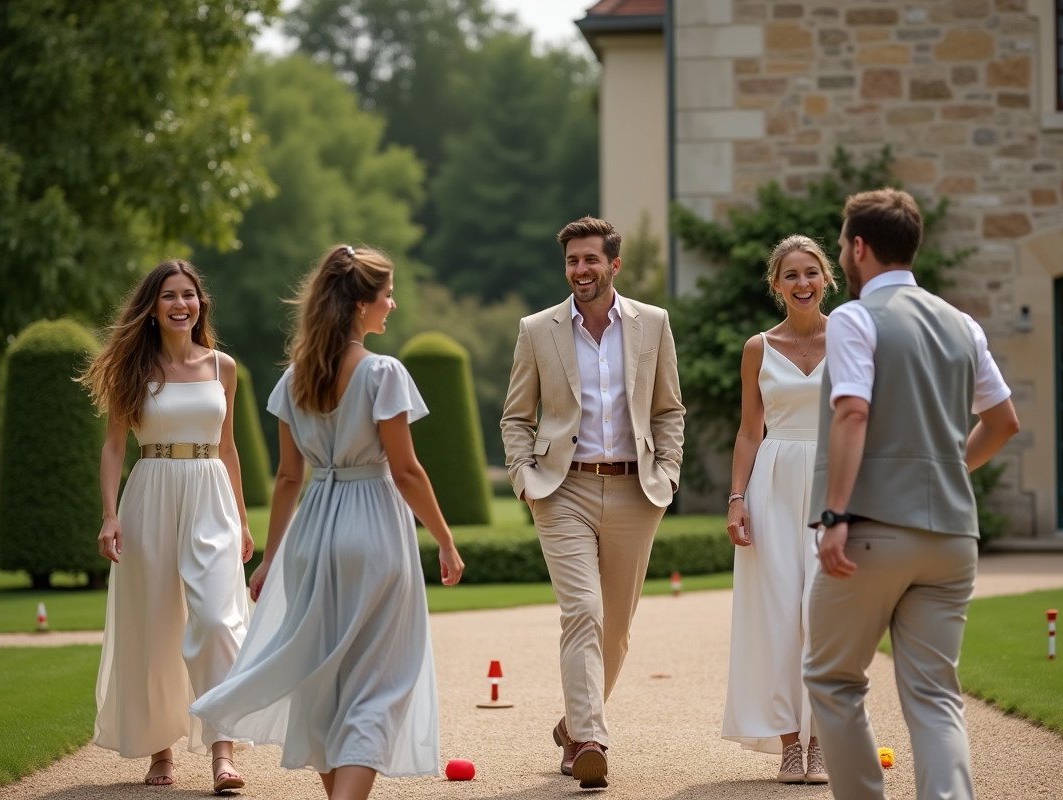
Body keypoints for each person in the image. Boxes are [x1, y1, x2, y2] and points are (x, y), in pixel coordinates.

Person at [190, 245, 464, 800]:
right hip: (374, 528)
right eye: (386, 294)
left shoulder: (295, 378)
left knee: (322, 678)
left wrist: (271, 556)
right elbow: (407, 471)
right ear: (361, 303)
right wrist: (446, 542)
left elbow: (289, 479)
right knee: (379, 684)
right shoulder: (383, 372)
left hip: (312, 533)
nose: (392, 303)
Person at [804, 188, 1019, 800]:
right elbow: (1004, 422)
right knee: (935, 696)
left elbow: (851, 413)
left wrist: (836, 514)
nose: (844, 253)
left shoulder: (853, 318)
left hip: (871, 530)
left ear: (859, 248)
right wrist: (949, 473)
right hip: (953, 536)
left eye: (844, 244)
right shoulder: (963, 323)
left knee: (833, 678)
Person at [501, 216, 685, 789]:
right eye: (572, 261)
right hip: (563, 490)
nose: (580, 270)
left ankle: (574, 725)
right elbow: (515, 416)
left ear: (613, 264)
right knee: (582, 611)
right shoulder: (538, 329)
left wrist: (669, 475)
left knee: (617, 630)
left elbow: (669, 409)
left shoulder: (653, 325)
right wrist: (525, 481)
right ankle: (592, 740)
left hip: (637, 488)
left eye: (590, 260)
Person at [80, 260, 254, 790]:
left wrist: (243, 521)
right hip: (150, 492)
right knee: (156, 626)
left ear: (201, 304)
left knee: (219, 620)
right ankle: (161, 754)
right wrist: (110, 515)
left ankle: (221, 751)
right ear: (152, 308)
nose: (181, 305)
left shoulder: (223, 367)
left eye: (190, 295)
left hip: (210, 497)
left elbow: (228, 449)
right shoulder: (131, 369)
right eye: (169, 296)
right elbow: (113, 448)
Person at [721, 235, 837, 784]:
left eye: (810, 272)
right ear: (776, 285)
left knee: (825, 614)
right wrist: (737, 498)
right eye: (790, 275)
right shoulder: (757, 348)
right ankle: (793, 744)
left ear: (826, 278)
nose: (802, 283)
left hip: (834, 484)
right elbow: (749, 432)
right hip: (772, 483)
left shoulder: (853, 336)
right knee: (777, 617)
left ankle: (822, 741)